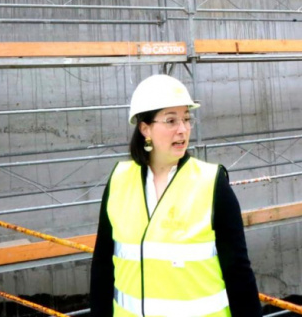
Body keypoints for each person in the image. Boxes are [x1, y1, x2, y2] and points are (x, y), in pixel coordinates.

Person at [89, 75, 261, 317]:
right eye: (171, 120)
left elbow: (239, 275)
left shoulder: (212, 184)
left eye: (186, 119)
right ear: (145, 128)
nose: (183, 129)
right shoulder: (119, 180)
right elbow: (103, 268)